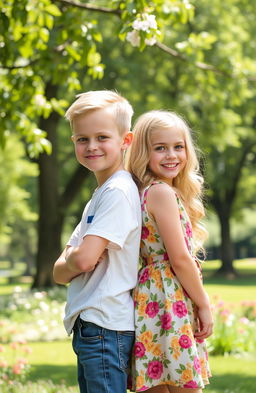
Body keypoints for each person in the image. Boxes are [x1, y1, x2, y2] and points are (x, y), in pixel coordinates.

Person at [53, 90, 142, 393]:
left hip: (104, 324)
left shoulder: (117, 192)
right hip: (93, 324)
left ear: (125, 141)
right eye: (82, 139)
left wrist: (74, 260)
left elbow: (81, 260)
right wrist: (72, 260)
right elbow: (58, 270)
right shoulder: (100, 195)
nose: (91, 146)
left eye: (102, 137)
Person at [126, 110, 213, 393]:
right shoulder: (161, 192)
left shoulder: (145, 190)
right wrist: (203, 304)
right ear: (143, 151)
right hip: (168, 299)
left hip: (152, 298)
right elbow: (180, 259)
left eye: (178, 146)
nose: (171, 155)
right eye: (160, 148)